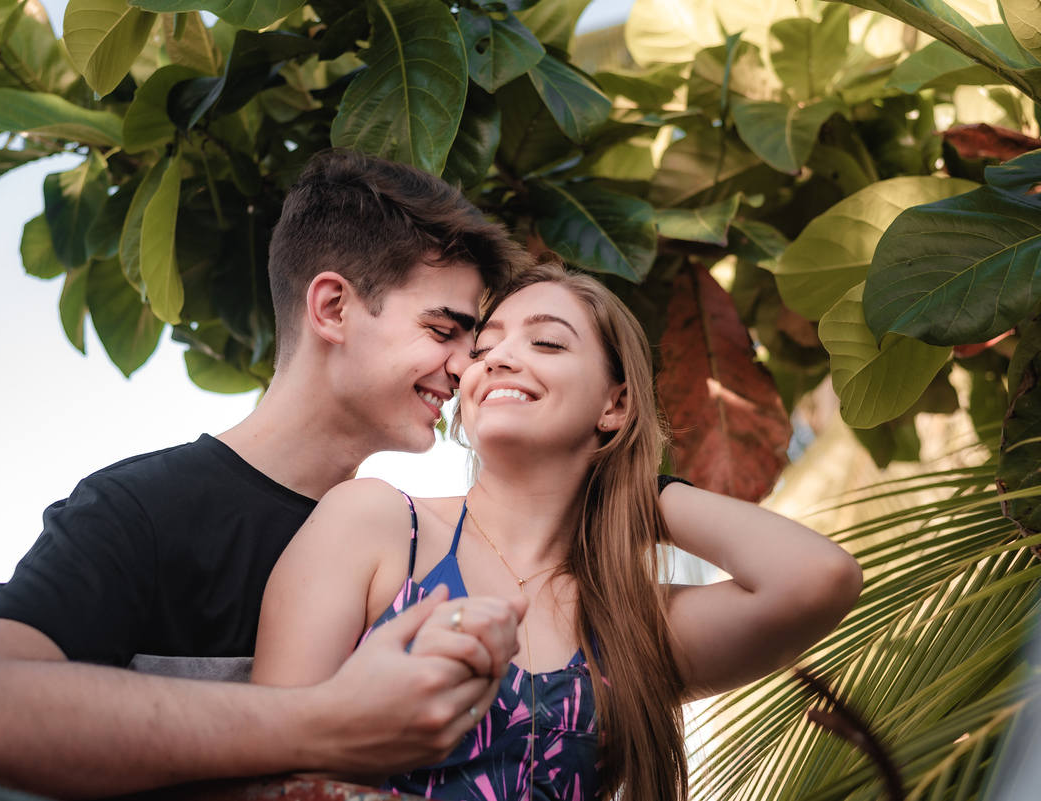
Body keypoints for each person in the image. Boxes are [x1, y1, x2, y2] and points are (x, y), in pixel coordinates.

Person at [0, 150, 536, 798]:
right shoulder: (142, 510)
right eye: (443, 330)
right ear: (332, 308)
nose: (468, 369)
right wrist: (324, 723)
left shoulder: (424, 539)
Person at [251, 262, 865, 800]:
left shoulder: (630, 622)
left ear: (615, 405)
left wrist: (638, 492)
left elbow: (818, 579)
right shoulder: (375, 522)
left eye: (546, 342)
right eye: (484, 347)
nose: (497, 357)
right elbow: (264, 769)